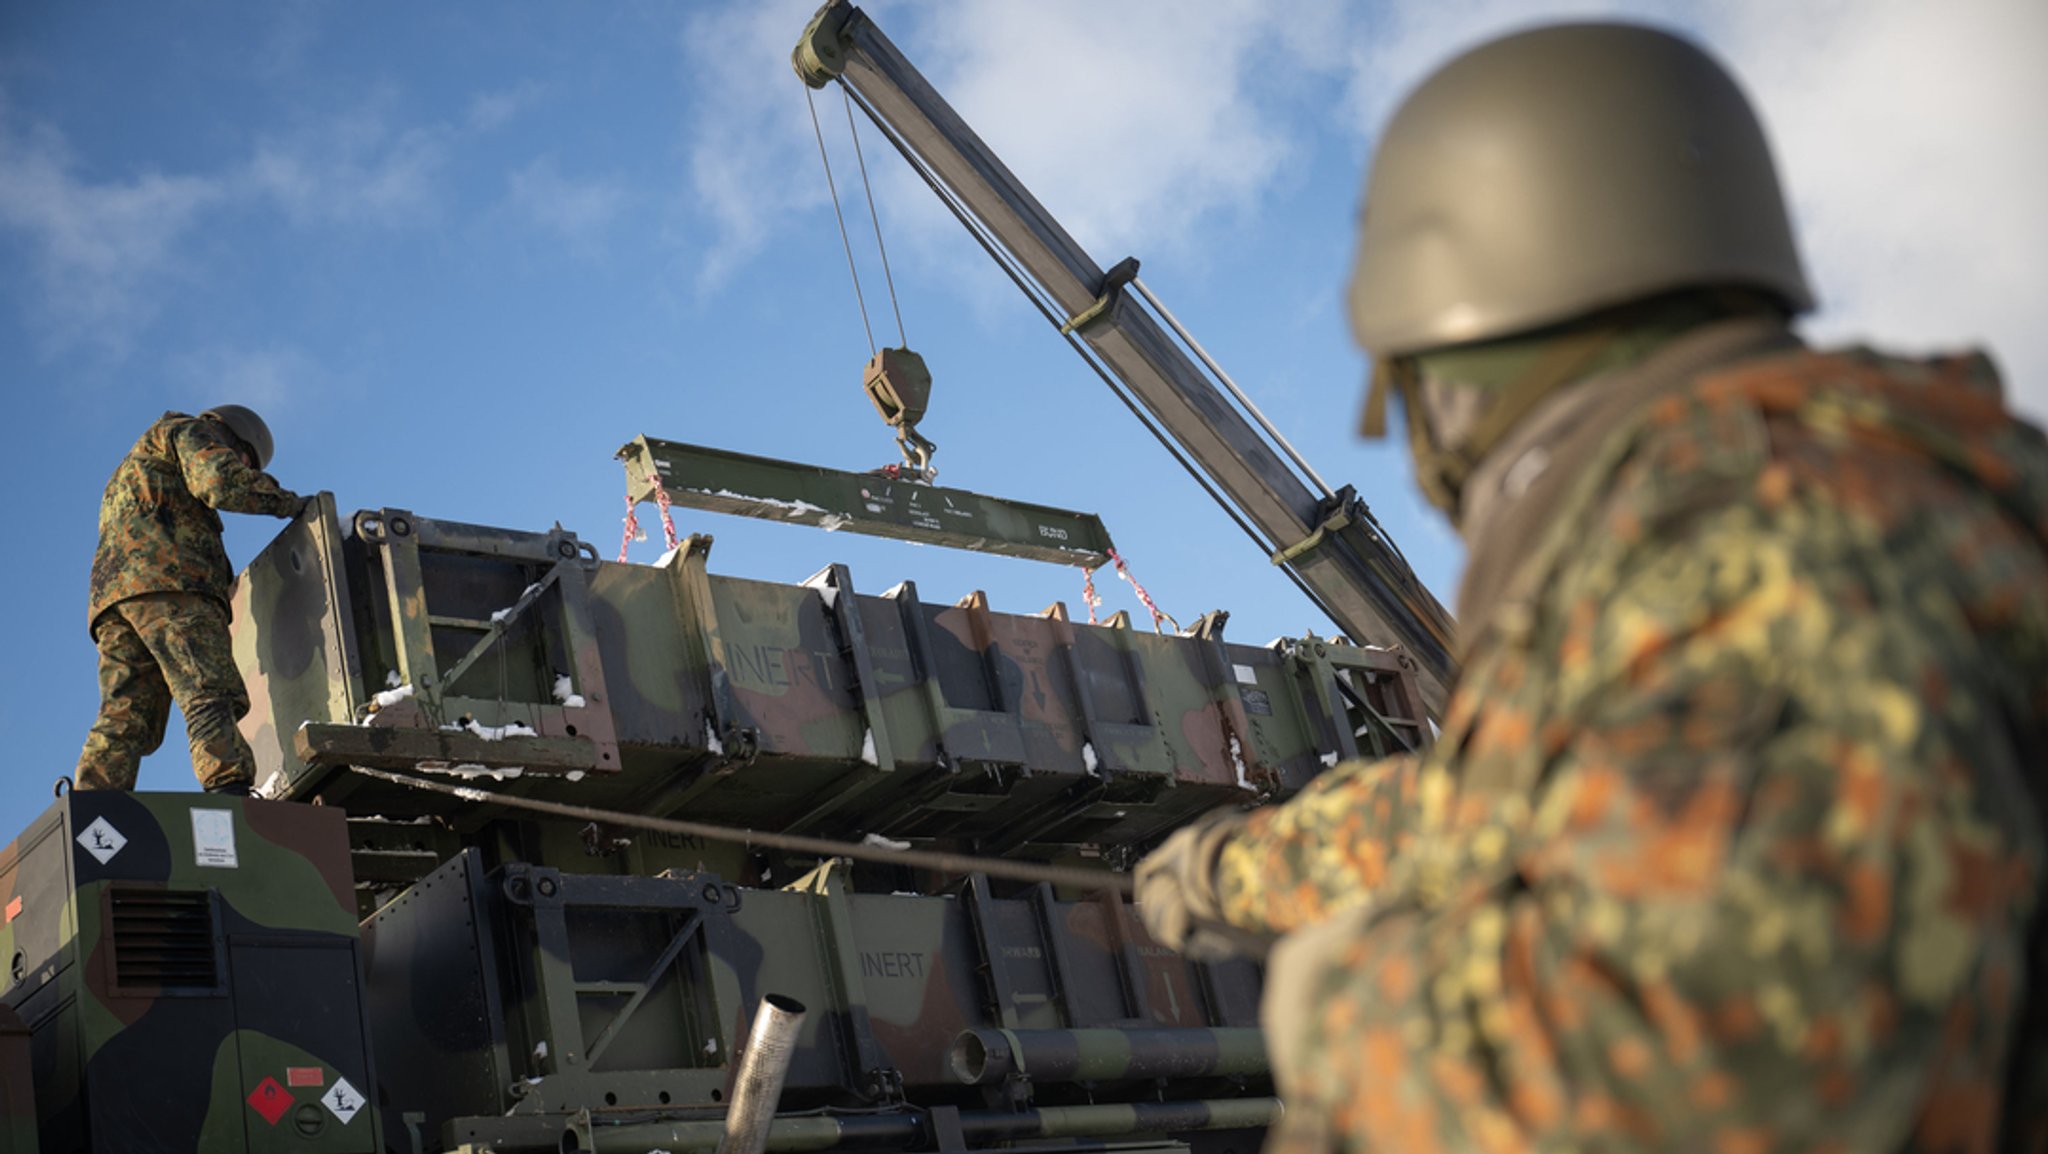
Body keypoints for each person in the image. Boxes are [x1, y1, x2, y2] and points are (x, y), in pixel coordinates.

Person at [1136, 22, 2047, 1153]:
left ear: (1452, 376)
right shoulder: (1860, 491)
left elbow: (1722, 1059)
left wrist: (1346, 1004)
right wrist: (1234, 869)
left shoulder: (1737, 543)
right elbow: (1517, 803)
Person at [76, 405, 307, 795]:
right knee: (207, 688)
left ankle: (93, 809)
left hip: (115, 601)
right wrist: (290, 503)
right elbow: (220, 482)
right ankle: (228, 788)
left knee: (126, 714)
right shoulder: (189, 431)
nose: (245, 466)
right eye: (246, 459)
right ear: (234, 435)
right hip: (172, 584)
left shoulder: (137, 464)